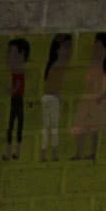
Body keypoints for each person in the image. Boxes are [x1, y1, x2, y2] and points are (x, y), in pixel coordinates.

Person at [74, 32, 106, 163]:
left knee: (95, 130)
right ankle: (79, 153)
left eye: (100, 47)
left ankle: (93, 154)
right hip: (87, 100)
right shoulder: (91, 65)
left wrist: (100, 98)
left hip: (97, 103)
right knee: (81, 127)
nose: (97, 50)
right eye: (96, 47)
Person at [38, 33, 71, 163]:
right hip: (52, 99)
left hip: (50, 99)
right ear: (58, 49)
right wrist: (59, 98)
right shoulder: (57, 67)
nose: (69, 51)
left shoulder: (56, 66)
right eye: (66, 47)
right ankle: (51, 153)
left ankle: (47, 153)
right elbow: (52, 87)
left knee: (49, 128)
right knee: (52, 129)